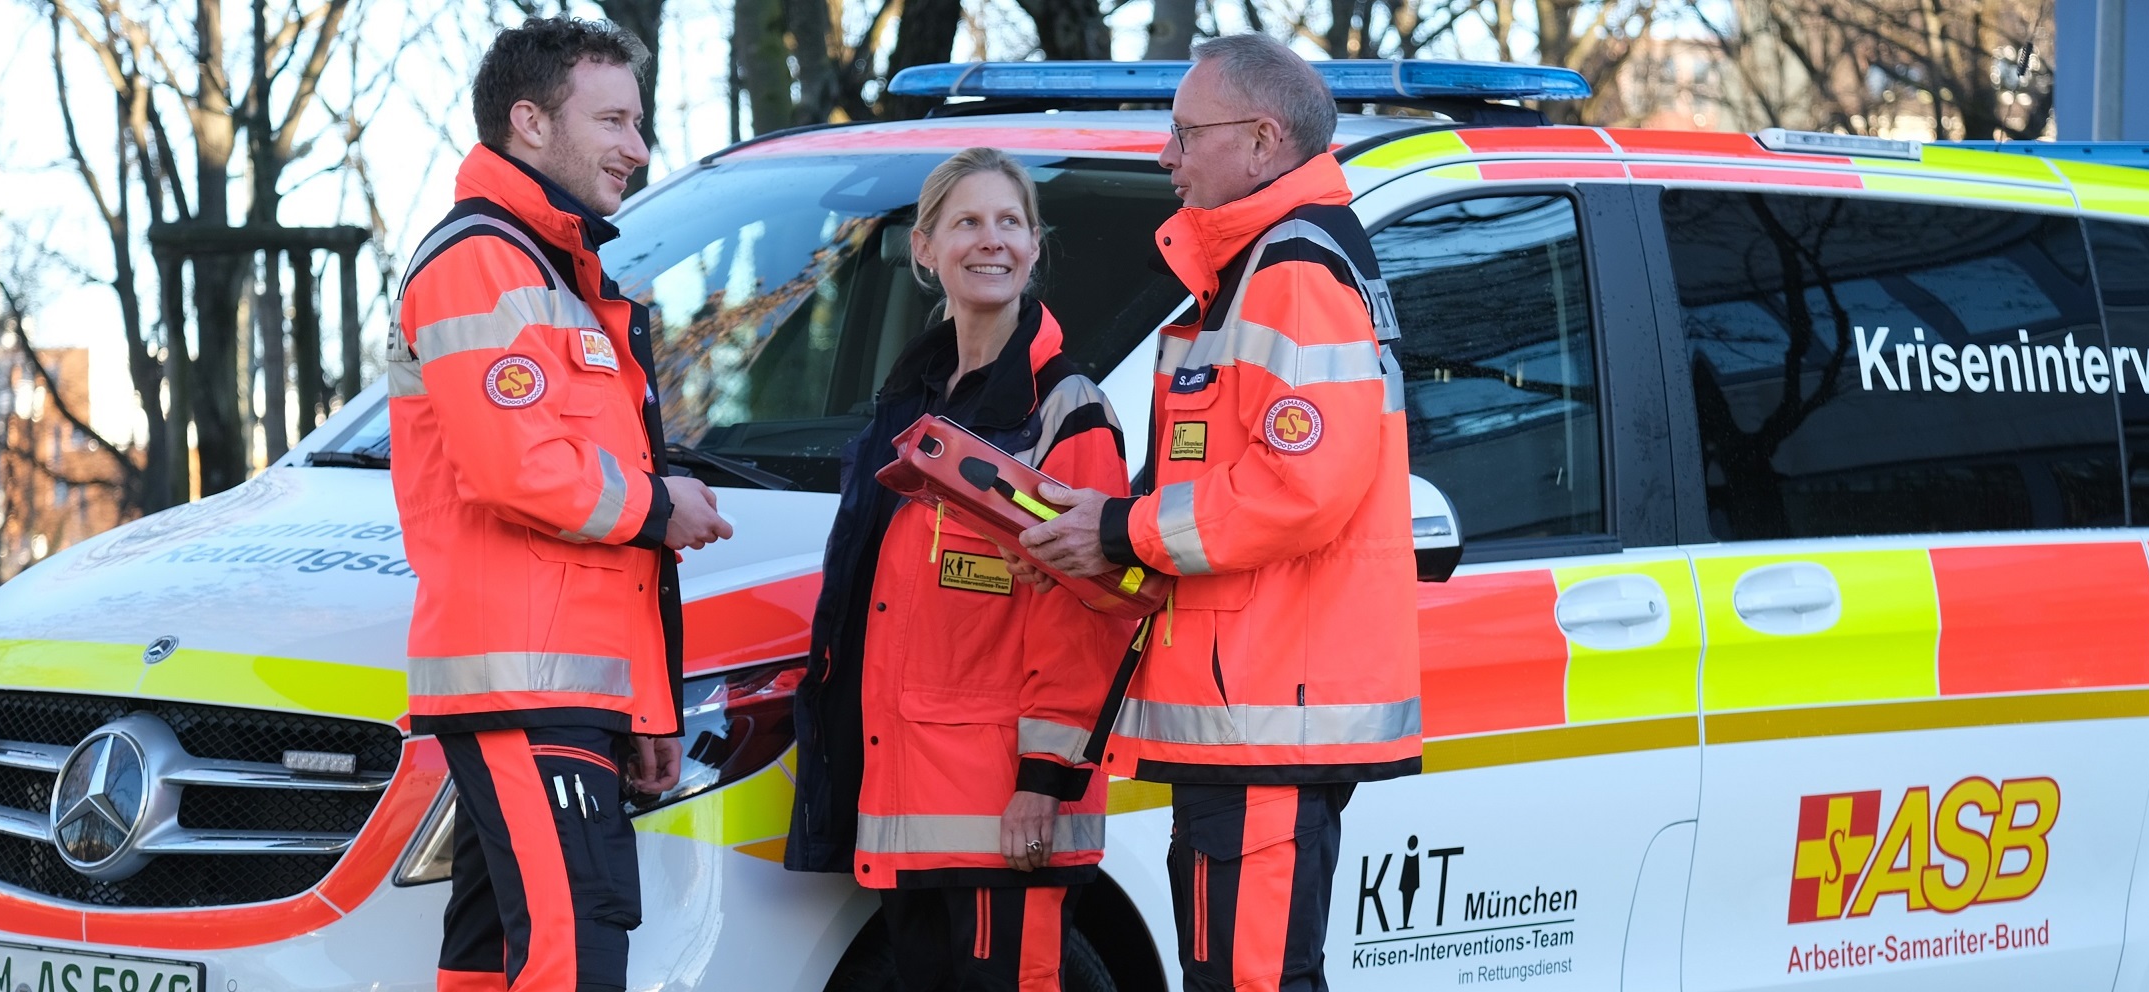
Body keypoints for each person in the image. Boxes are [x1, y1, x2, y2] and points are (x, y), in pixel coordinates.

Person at [1018, 35, 1423, 992]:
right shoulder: (1261, 271)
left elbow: (1300, 489)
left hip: (1269, 709)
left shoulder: (1292, 274)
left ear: (1260, 138)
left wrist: (1122, 528)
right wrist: (1118, 520)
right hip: (1252, 709)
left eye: (1185, 132)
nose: (1168, 154)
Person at [386, 18, 733, 992]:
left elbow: (580, 526)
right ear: (529, 122)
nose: (637, 146)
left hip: (555, 687)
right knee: (570, 952)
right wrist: (662, 505)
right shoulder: (483, 261)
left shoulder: (553, 275)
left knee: (497, 951)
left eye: (640, 120)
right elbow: (520, 469)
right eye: (614, 119)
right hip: (525, 686)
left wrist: (647, 705)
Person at [787, 147, 1134, 991]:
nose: (993, 241)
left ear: (1035, 247)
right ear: (925, 248)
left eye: (1010, 222)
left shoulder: (1063, 408)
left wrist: (1045, 784)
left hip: (1009, 810)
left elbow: (1090, 613)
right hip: (910, 806)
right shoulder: (910, 403)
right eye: (968, 222)